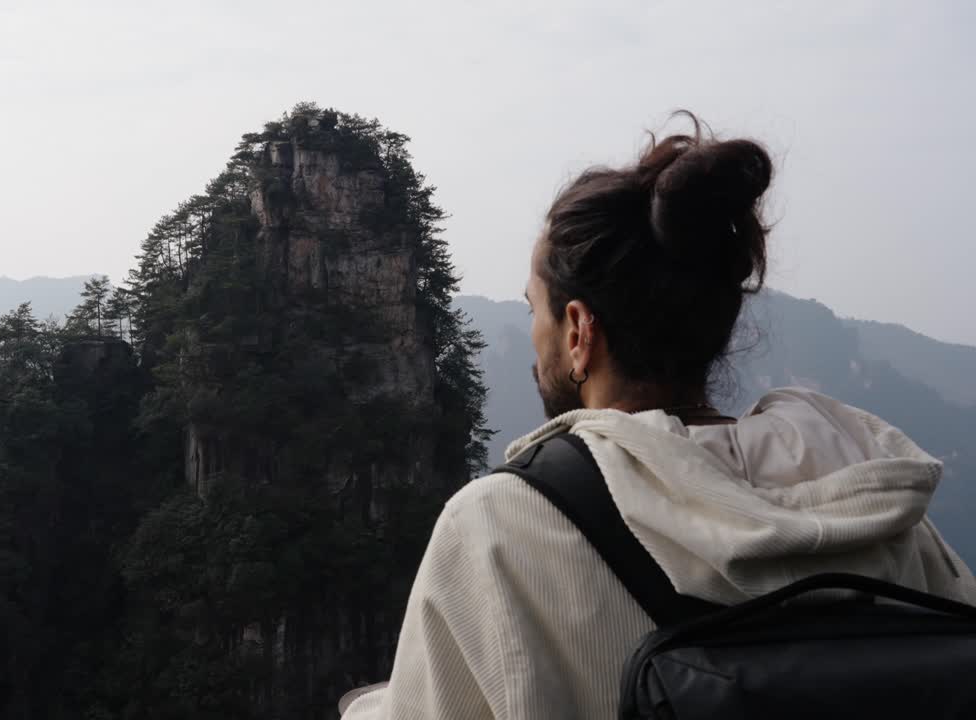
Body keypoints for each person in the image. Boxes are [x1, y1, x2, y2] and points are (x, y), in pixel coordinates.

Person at [338, 113, 976, 719]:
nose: (532, 334)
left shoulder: (499, 530)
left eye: (535, 309)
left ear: (579, 330)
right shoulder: (878, 492)